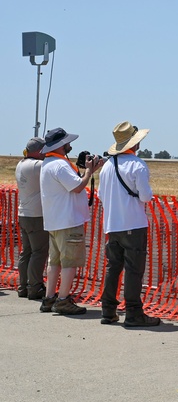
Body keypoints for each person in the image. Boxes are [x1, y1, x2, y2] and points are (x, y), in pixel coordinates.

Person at [96, 121, 161, 327]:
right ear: (135, 143)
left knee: (112, 267)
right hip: (133, 223)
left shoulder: (107, 166)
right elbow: (145, 196)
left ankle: (108, 310)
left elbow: (100, 195)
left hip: (112, 224)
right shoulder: (137, 165)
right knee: (134, 270)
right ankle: (133, 312)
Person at [39, 127, 104, 315]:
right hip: (67, 221)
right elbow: (77, 187)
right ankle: (62, 300)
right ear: (61, 145)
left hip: (55, 221)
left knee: (55, 262)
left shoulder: (49, 163)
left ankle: (50, 297)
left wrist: (87, 171)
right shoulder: (60, 165)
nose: (70, 145)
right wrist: (89, 172)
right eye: (67, 142)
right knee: (69, 262)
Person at [15, 136, 49, 300]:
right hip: (36, 215)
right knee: (39, 252)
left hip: (24, 213)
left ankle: (23, 286)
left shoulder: (21, 164)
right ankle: (35, 287)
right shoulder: (38, 166)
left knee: (26, 252)